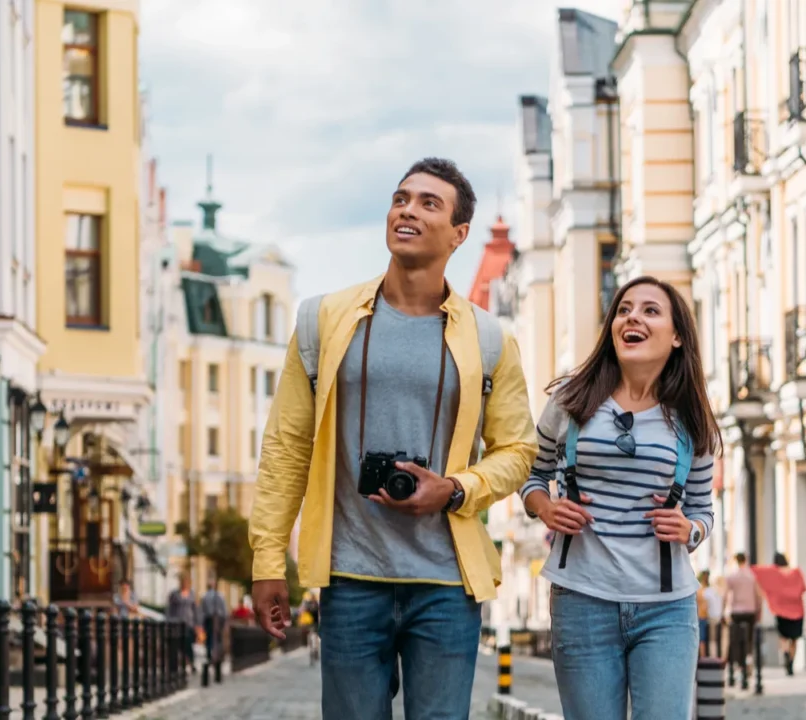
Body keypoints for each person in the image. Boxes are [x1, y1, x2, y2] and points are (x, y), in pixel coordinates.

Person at [247, 157, 539, 719]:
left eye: (429, 203)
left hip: (446, 586)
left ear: (459, 234)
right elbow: (286, 447)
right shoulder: (323, 321)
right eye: (401, 197)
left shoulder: (489, 338)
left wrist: (455, 488)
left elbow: (519, 450)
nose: (407, 209)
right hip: (351, 580)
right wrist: (266, 562)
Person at [519, 276, 718, 720]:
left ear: (678, 335)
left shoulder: (692, 418)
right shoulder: (571, 400)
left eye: (651, 310)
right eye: (625, 309)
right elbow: (532, 474)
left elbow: (703, 509)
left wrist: (691, 529)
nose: (634, 317)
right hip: (582, 599)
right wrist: (545, 507)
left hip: (666, 608)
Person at [750, 553, 806, 675]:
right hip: (797, 611)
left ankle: (785, 652)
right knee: (794, 639)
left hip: (781, 611)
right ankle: (791, 660)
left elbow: (755, 571)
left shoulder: (773, 572)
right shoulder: (796, 572)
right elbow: (803, 588)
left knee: (783, 637)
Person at [724, 553, 760, 679]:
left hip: (737, 611)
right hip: (750, 611)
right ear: (746, 560)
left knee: (737, 639)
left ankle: (738, 665)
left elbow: (726, 594)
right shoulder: (752, 576)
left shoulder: (732, 576)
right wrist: (758, 611)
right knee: (749, 639)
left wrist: (724, 611)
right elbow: (758, 595)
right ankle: (748, 661)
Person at [166, 573, 202, 674]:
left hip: (189, 624)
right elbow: (169, 609)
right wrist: (169, 620)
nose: (185, 584)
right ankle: (175, 666)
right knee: (176, 645)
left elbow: (196, 610)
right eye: (183, 582)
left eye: (187, 582)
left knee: (188, 645)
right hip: (176, 623)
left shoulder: (192, 594)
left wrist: (198, 625)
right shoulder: (174, 594)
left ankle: (191, 663)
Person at [201, 580, 229, 672]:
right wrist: (225, 621)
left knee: (209, 638)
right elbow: (224, 610)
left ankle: (209, 655)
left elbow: (202, 610)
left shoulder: (205, 596)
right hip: (218, 619)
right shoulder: (220, 596)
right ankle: (217, 656)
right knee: (218, 638)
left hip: (208, 619)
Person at [698, 570, 724, 657]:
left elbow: (705, 606)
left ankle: (706, 656)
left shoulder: (703, 591)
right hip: (709, 616)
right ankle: (708, 656)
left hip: (705, 617)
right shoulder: (710, 591)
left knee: (705, 638)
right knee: (708, 638)